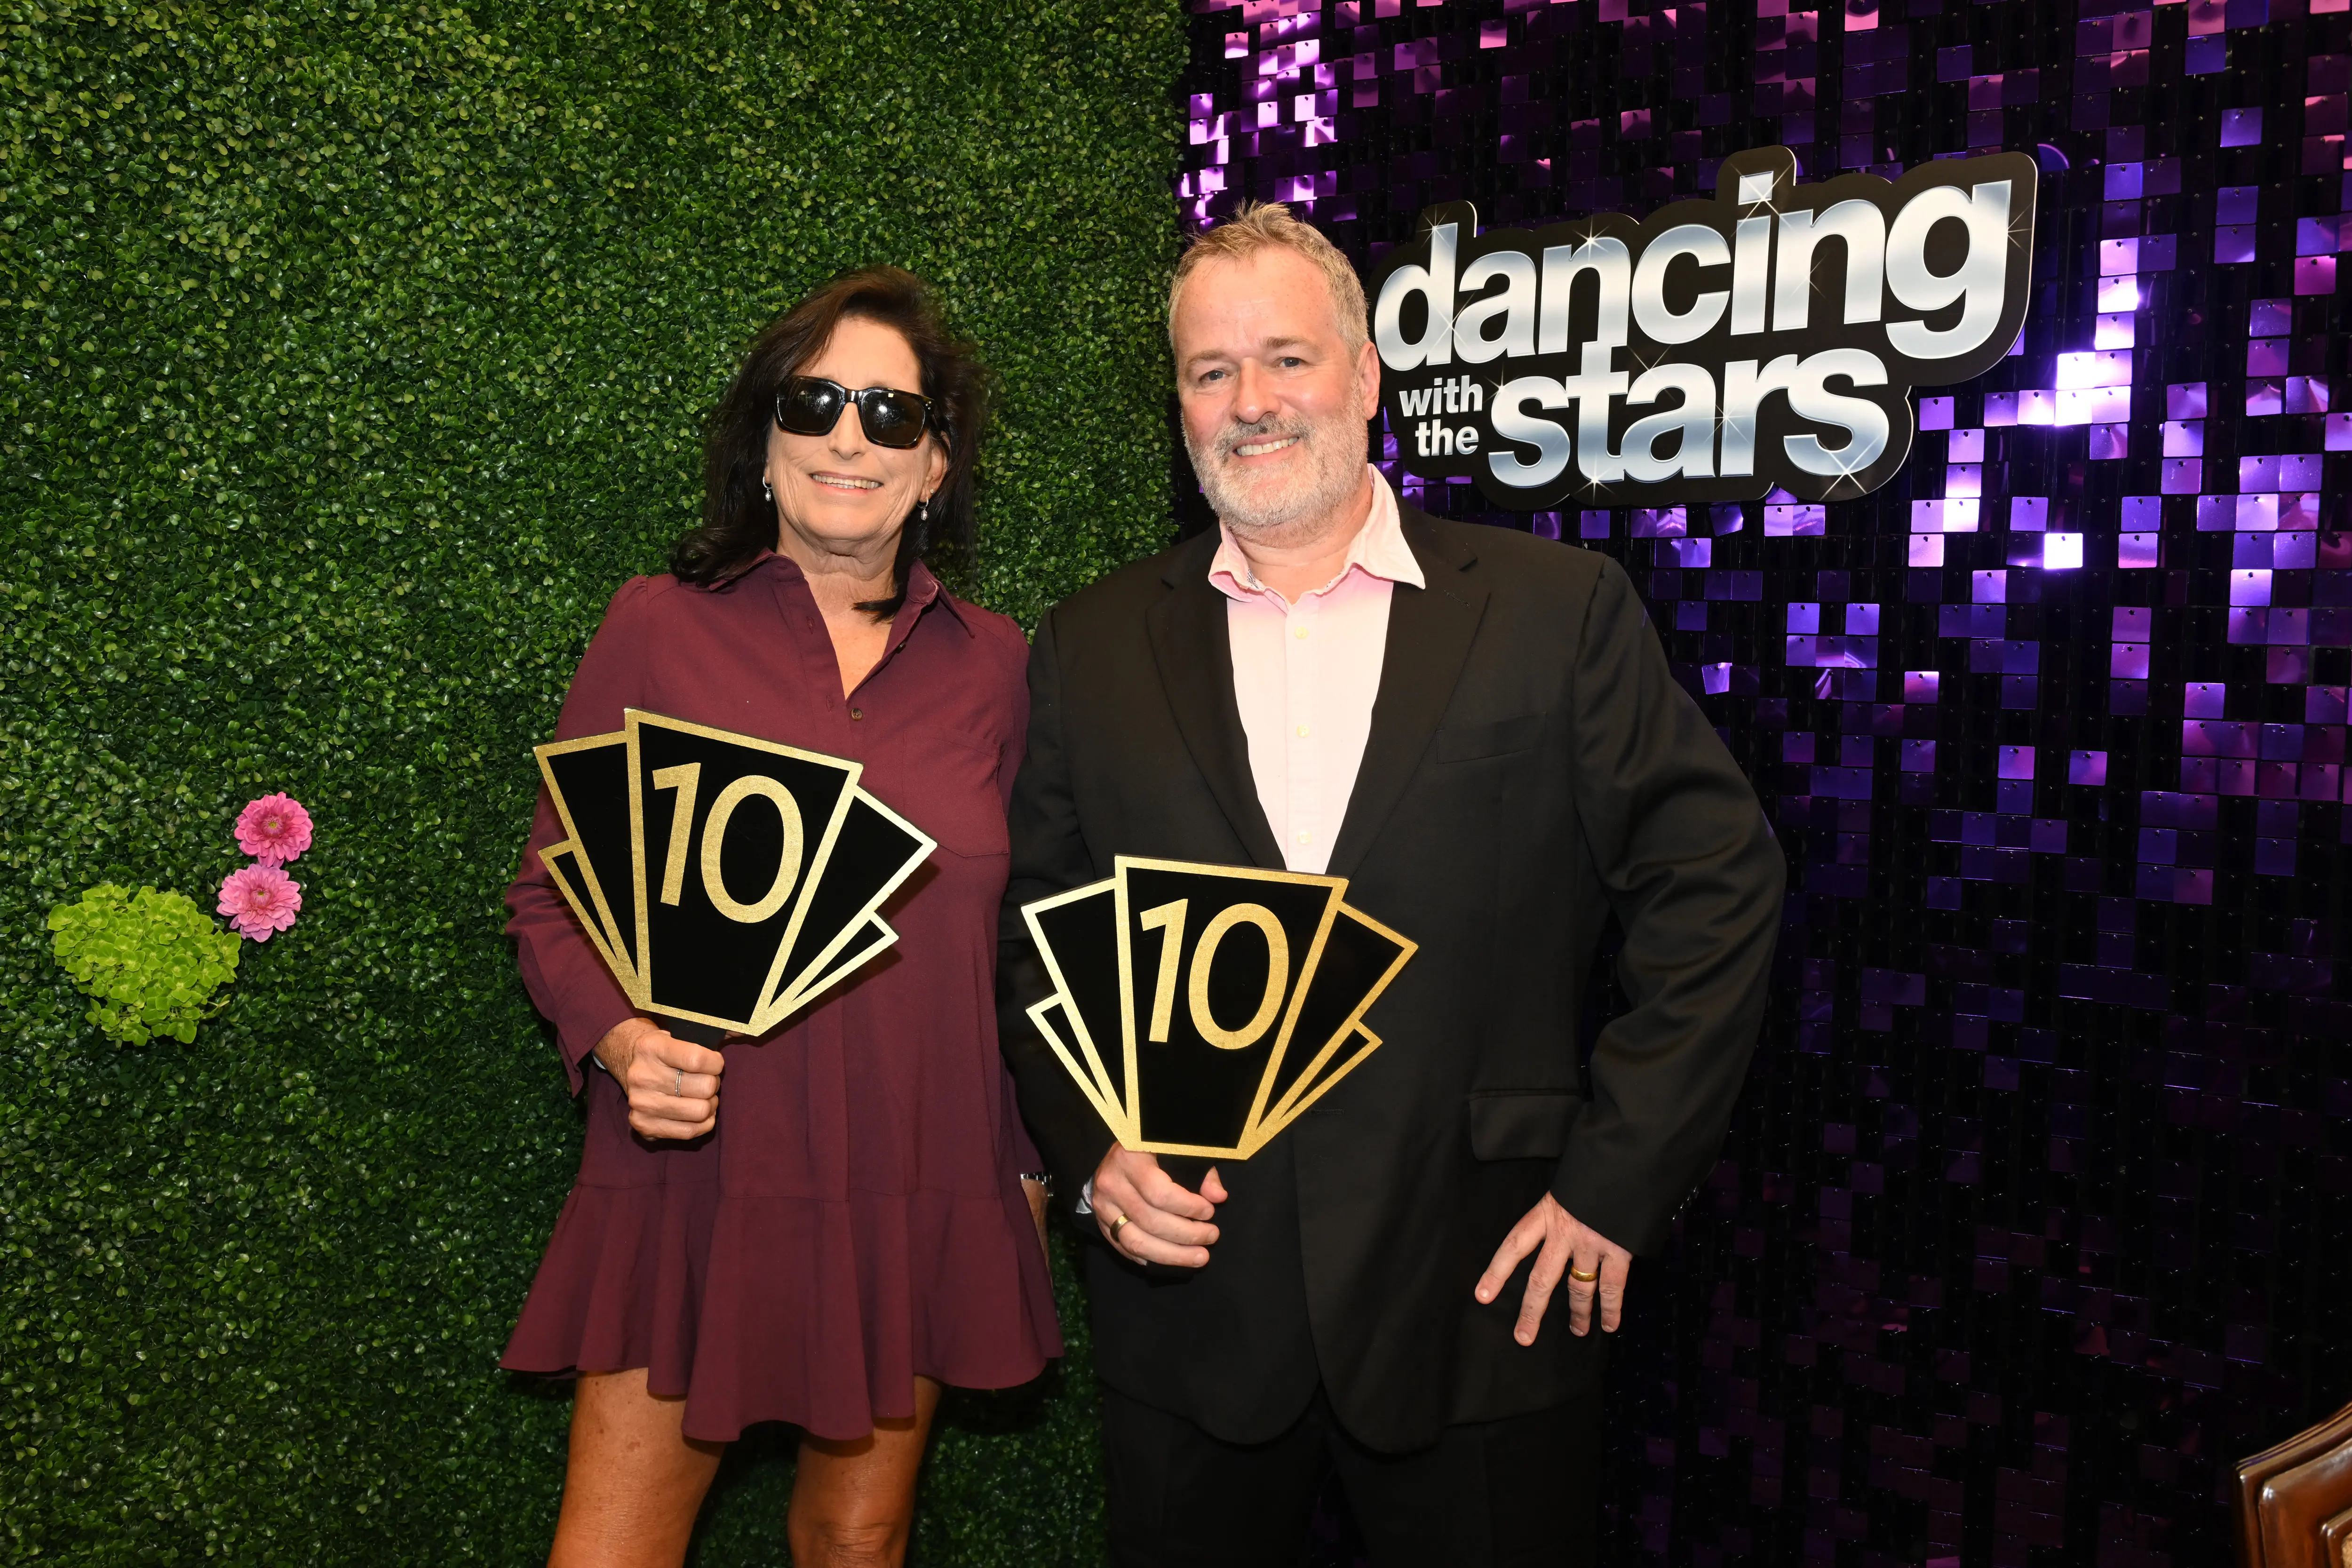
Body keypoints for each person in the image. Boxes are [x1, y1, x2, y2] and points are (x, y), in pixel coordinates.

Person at [998, 203, 1784, 1565]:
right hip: (1194, 1318)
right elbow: (1040, 943)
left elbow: (1717, 879)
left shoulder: (1556, 609)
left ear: (1367, 376)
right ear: (1179, 406)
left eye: (1288, 359)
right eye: (1210, 371)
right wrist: (1092, 1153)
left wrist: (1616, 1176)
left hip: (1483, 1298)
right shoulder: (1092, 643)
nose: (1252, 402)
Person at [503, 267, 1059, 1568]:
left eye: (890, 411)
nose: (849, 434)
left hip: (917, 1176)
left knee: (855, 1545)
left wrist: (1032, 1162)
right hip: (698, 1174)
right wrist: (625, 1042)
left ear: (935, 466)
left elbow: (1023, 939)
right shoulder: (658, 628)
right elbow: (550, 891)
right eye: (815, 402)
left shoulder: (999, 666)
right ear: (765, 441)